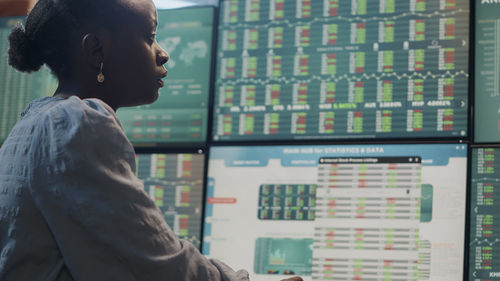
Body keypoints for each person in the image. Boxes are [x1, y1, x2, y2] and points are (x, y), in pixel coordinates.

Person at [0, 0, 304, 280]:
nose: (163, 52)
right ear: (96, 50)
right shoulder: (78, 124)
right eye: (149, 36)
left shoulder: (31, 122)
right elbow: (157, 268)